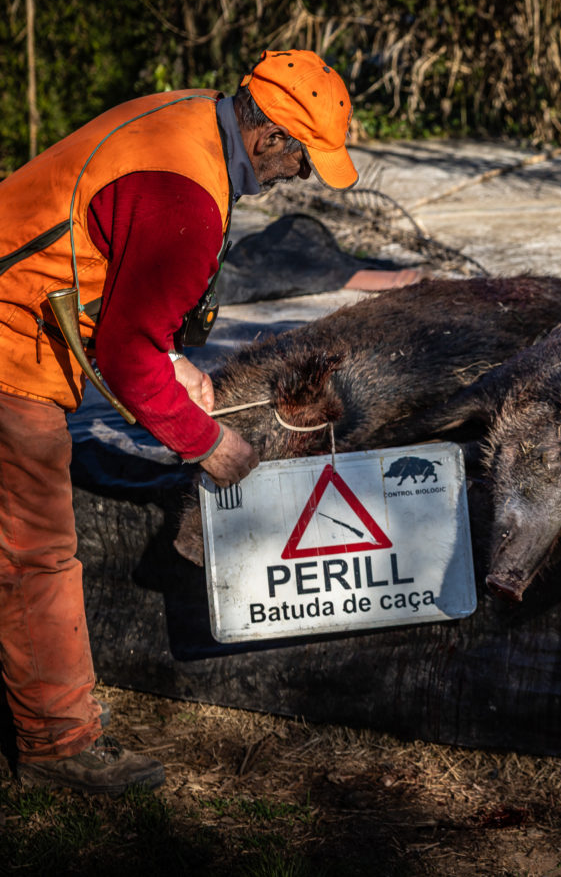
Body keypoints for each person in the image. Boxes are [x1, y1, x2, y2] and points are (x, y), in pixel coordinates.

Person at [0, 49, 358, 794]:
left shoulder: (191, 116)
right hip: (9, 352)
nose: (298, 178)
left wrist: (172, 358)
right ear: (270, 139)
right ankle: (56, 745)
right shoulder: (189, 198)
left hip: (25, 321)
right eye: (304, 161)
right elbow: (126, 355)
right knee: (38, 555)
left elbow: (116, 271)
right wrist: (209, 441)